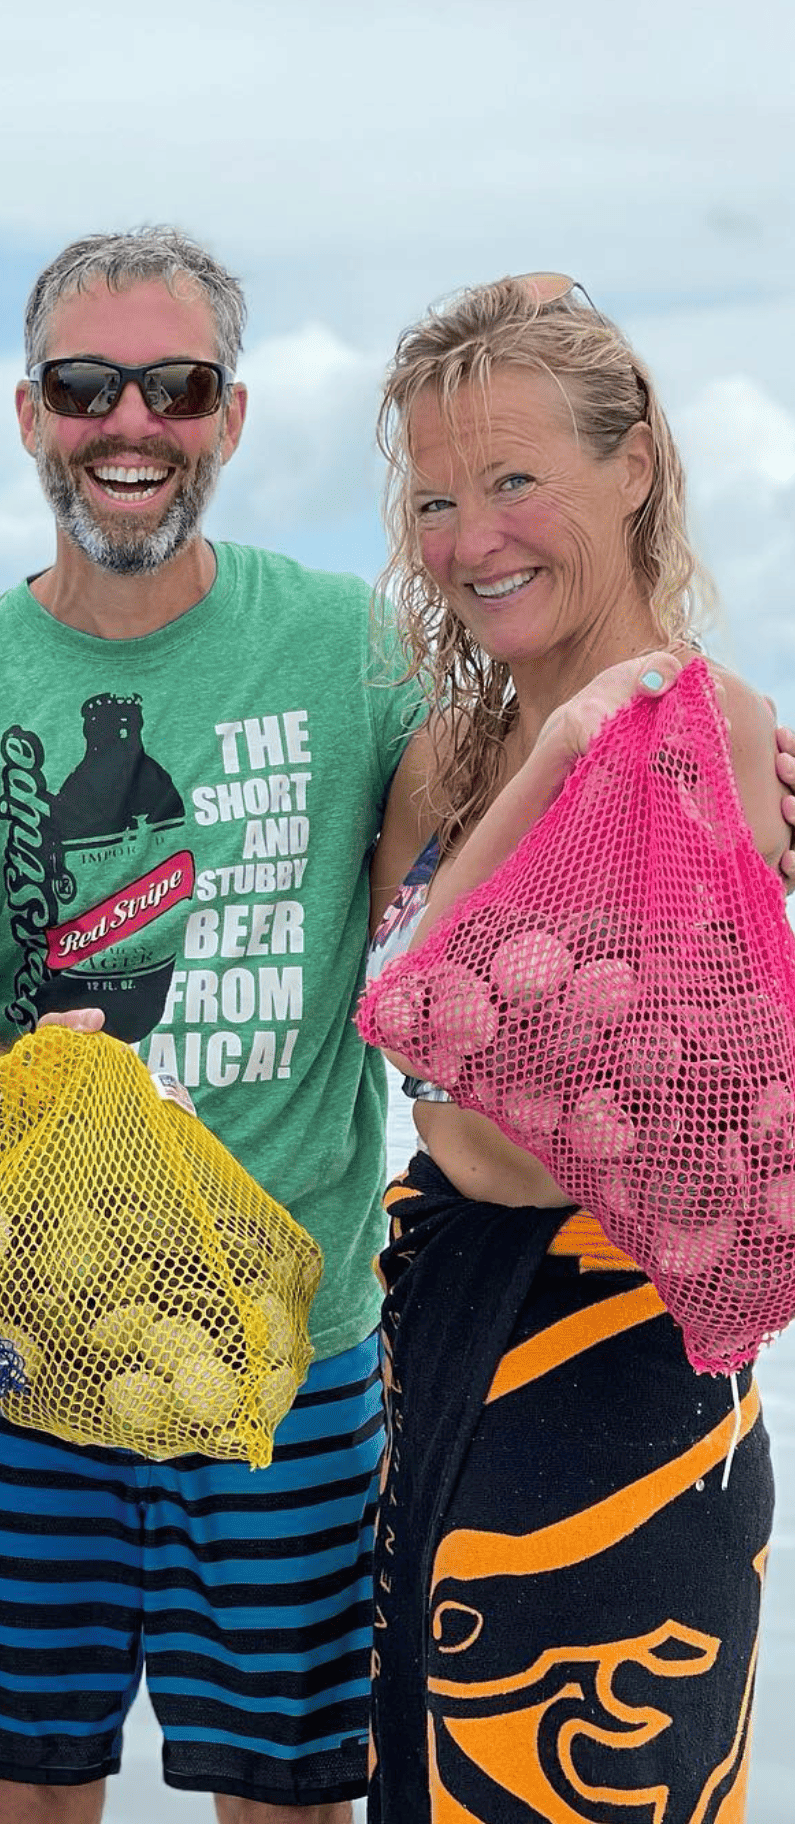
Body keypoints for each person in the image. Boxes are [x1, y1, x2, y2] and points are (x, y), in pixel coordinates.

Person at [0, 226, 417, 1824]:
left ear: (230, 418)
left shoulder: (351, 650)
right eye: (85, 386)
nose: (130, 423)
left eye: (172, 387)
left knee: (293, 1796)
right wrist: (65, 1105)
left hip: (299, 1359)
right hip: (28, 1351)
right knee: (27, 1790)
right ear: (29, 414)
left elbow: (509, 808)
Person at [362, 275, 781, 1820]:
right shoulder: (447, 750)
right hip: (435, 1343)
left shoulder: (699, 729)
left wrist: (548, 767)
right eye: (435, 498)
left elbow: (600, 1127)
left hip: (619, 1386)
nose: (473, 539)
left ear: (638, 464)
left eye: (517, 479)